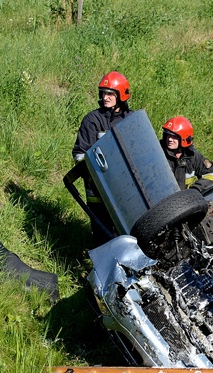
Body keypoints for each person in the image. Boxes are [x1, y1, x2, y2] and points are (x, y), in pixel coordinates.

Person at [72, 71, 133, 244]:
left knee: (129, 235)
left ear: (121, 95)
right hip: (99, 192)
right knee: (103, 237)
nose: (105, 97)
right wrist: (95, 175)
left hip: (127, 191)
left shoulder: (131, 119)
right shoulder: (92, 120)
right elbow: (80, 153)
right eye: (103, 93)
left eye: (110, 94)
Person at [160, 116, 213, 191]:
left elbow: (212, 174)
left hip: (185, 200)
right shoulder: (159, 155)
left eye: (174, 136)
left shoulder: (192, 156)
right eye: (168, 135)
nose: (169, 139)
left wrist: (195, 190)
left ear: (184, 138)